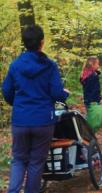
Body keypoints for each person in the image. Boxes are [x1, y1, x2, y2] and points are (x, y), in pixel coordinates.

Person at [2, 25, 69, 193]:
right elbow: (56, 93)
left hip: (20, 121)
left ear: (24, 43)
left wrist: (17, 105)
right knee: (36, 162)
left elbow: (6, 91)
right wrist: (64, 94)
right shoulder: (50, 66)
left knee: (18, 160)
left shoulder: (15, 65)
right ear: (42, 42)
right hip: (43, 121)